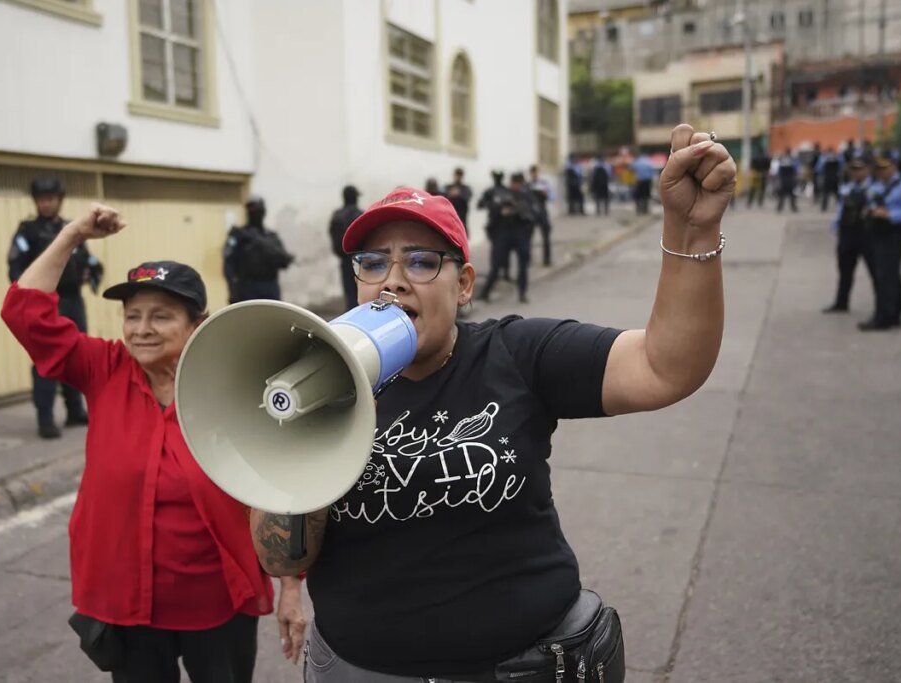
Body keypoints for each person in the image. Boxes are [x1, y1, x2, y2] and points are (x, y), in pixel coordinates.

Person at [247, 124, 734, 682]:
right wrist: (303, 429)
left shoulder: (516, 353)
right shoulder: (316, 380)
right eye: (373, 262)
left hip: (516, 667)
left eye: (422, 261)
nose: (393, 281)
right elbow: (282, 558)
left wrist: (692, 231)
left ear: (464, 284)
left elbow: (664, 367)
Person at [1, 207, 306, 682]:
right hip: (127, 604)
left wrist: (290, 586)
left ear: (197, 324)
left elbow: (278, 487)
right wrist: (73, 235)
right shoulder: (103, 369)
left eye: (160, 316)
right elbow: (24, 312)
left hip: (218, 603)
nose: (141, 329)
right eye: (132, 315)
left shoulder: (235, 388)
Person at [7, 177, 102, 439]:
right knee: (45, 359)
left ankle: (74, 410)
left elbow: (90, 260)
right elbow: (16, 269)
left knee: (76, 352)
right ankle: (45, 418)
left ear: (59, 200)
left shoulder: (71, 230)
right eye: (42, 198)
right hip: (48, 303)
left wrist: (92, 272)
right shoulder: (27, 232)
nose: (46, 203)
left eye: (51, 198)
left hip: (73, 301)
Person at [859, 155, 901, 330]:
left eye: (884, 168)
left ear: (894, 167)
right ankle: (894, 313)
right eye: (878, 169)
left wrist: (890, 214)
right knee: (891, 274)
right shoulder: (879, 185)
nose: (880, 172)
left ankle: (883, 318)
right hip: (879, 233)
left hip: (894, 233)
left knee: (885, 276)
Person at [823, 159, 875, 314]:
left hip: (867, 235)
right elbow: (841, 210)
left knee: (876, 272)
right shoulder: (846, 188)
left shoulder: (875, 188)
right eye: (854, 170)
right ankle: (841, 303)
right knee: (844, 271)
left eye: (860, 169)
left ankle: (884, 308)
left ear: (867, 170)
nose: (857, 173)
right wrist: (836, 226)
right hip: (847, 235)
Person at [478, 172, 536, 304]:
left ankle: (522, 293)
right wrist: (502, 211)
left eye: (518, 183)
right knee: (496, 263)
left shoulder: (526, 196)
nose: (516, 185)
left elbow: (532, 214)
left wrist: (518, 211)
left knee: (523, 266)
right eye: (514, 183)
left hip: (520, 234)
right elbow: (493, 210)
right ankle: (485, 292)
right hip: (505, 233)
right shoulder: (503, 194)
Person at [223, 196, 294, 303]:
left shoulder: (271, 237)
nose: (256, 215)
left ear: (263, 212)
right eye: (253, 211)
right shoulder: (238, 235)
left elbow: (284, 262)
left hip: (270, 287)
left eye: (258, 211)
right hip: (247, 288)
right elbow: (228, 264)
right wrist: (233, 290)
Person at [329, 185, 364, 312]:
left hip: (344, 259)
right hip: (360, 260)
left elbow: (333, 237)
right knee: (362, 291)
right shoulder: (360, 214)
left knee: (349, 292)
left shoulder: (337, 215)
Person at [477, 169, 513, 282]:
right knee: (495, 250)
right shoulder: (490, 191)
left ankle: (506, 272)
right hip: (494, 224)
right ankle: (495, 273)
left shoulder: (507, 191)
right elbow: (480, 204)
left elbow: (513, 204)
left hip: (506, 224)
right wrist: (491, 204)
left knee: (506, 249)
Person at [528, 164, 555, 266]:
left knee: (546, 236)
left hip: (542, 212)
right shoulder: (528, 185)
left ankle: (547, 259)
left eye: (536, 172)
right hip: (531, 213)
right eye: (533, 172)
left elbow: (552, 197)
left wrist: (546, 194)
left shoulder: (544, 184)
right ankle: (528, 260)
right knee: (529, 237)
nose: (535, 174)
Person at [443, 168, 473, 235]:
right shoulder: (448, 187)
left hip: (461, 220)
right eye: (457, 174)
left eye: (460, 175)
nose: (458, 177)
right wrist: (450, 195)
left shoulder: (466, 189)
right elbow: (441, 198)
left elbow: (467, 197)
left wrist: (458, 194)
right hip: (448, 220)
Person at [817, 147, 843, 213]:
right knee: (836, 193)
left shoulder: (824, 158)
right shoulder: (838, 158)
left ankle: (824, 207)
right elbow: (842, 167)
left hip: (827, 177)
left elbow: (819, 168)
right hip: (835, 177)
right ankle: (841, 206)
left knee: (826, 193)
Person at [630, 151, 655, 215]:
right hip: (648, 181)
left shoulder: (636, 162)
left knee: (638, 196)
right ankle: (645, 209)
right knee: (646, 195)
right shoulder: (648, 162)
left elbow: (631, 169)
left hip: (639, 181)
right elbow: (652, 171)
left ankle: (638, 210)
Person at [775, 148, 799, 213]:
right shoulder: (793, 160)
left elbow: (779, 171)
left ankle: (779, 208)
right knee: (792, 194)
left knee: (781, 194)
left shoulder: (782, 160)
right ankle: (793, 207)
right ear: (790, 152)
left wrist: (779, 177)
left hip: (783, 179)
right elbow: (796, 170)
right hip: (791, 179)